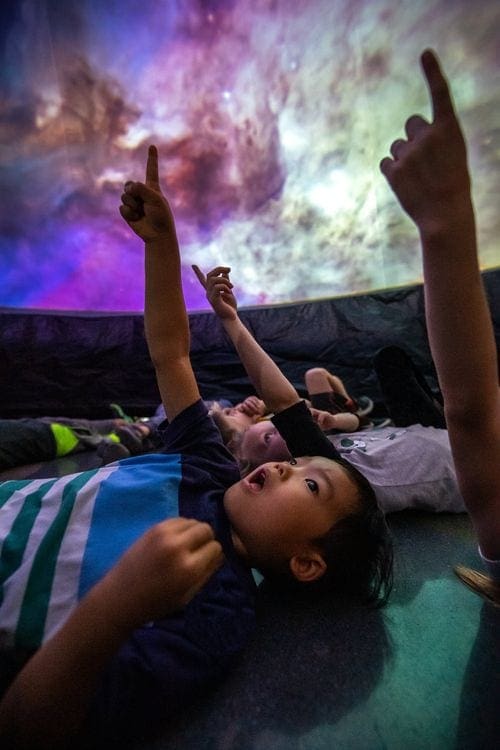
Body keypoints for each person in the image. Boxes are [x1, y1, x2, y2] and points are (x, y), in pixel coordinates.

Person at [0, 146, 392, 749]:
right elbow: (172, 353)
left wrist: (121, 604)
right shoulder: (203, 460)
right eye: (298, 460)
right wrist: (162, 244)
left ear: (306, 562)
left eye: (312, 484)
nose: (286, 463)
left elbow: (31, 723)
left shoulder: (215, 616)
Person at [194, 265, 466, 516]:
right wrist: (230, 320)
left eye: (270, 427)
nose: (276, 427)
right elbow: (283, 402)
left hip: (422, 428)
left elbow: (352, 422)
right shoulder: (332, 472)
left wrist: (333, 420)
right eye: (268, 438)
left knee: (389, 359)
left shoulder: (325, 445)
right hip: (467, 458)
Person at [380, 50, 500, 593]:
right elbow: (473, 412)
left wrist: (444, 223)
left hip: (427, 427)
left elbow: (471, 412)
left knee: (388, 363)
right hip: (430, 428)